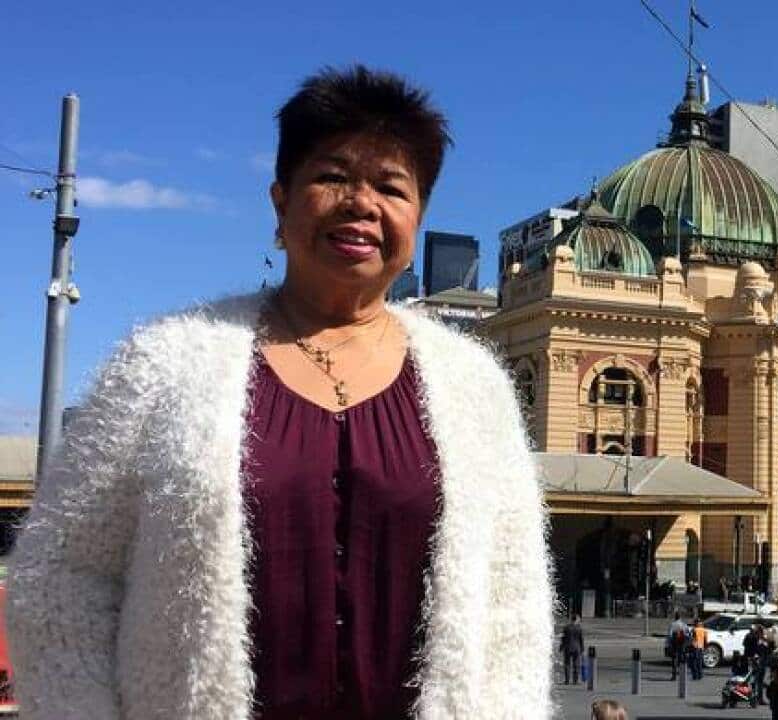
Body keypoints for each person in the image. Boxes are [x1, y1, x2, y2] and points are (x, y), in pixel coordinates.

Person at [6, 65, 554, 720]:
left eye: (391, 187)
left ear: (417, 221)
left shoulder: (475, 386)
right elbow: (64, 577)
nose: (361, 203)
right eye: (332, 176)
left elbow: (514, 606)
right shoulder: (161, 364)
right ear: (280, 201)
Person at [561, 613, 586, 685]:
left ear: (571, 619)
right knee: (576, 664)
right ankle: (575, 680)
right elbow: (581, 639)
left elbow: (563, 638)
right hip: (576, 648)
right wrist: (582, 649)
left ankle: (567, 680)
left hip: (567, 647)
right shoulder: (579, 628)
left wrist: (562, 647)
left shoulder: (566, 627)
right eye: (579, 619)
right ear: (576, 620)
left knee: (567, 664)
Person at [667, 612, 690, 680]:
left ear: (675, 617)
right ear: (680, 617)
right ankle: (682, 674)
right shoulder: (684, 624)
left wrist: (669, 644)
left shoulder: (672, 624)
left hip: (674, 643)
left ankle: (674, 675)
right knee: (681, 658)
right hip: (682, 643)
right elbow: (687, 634)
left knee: (674, 659)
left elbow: (670, 635)